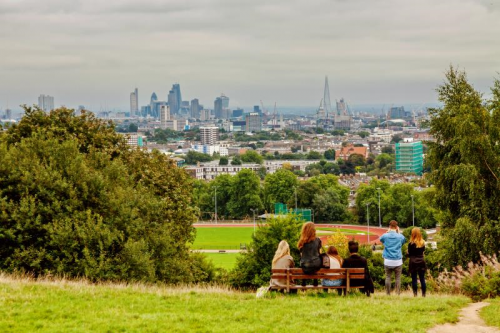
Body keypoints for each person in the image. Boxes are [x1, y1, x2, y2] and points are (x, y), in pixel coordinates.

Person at [379, 220, 407, 295]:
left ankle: (388, 293)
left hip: (388, 260)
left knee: (388, 277)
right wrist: (399, 232)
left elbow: (381, 239)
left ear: (389, 226)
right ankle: (397, 293)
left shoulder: (385, 235)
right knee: (398, 278)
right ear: (397, 227)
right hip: (398, 260)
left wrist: (387, 232)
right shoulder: (400, 236)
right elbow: (404, 240)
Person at [408, 227, 427, 297]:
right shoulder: (423, 243)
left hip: (413, 261)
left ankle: (415, 295)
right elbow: (423, 252)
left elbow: (409, 254)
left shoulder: (410, 244)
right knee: (422, 279)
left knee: (414, 279)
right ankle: (423, 295)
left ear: (412, 234)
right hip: (421, 260)